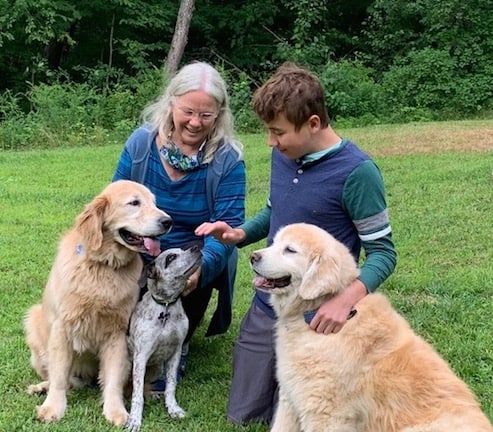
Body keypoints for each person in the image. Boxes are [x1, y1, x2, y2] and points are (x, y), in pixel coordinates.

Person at [195, 62, 397, 425]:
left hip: (321, 312)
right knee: (243, 414)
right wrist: (240, 234)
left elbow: (383, 252)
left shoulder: (359, 173)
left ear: (313, 124)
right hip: (271, 302)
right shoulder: (284, 155)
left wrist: (344, 301)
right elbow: (276, 209)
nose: (271, 142)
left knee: (308, 411)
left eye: (278, 133)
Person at [112, 61, 246, 390]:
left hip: (191, 256)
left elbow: (227, 231)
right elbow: (116, 202)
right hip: (139, 252)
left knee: (192, 268)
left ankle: (177, 345)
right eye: (187, 111)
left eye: (206, 115)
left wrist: (199, 269)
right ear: (171, 102)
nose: (195, 122)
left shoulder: (228, 161)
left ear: (220, 114)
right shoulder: (141, 146)